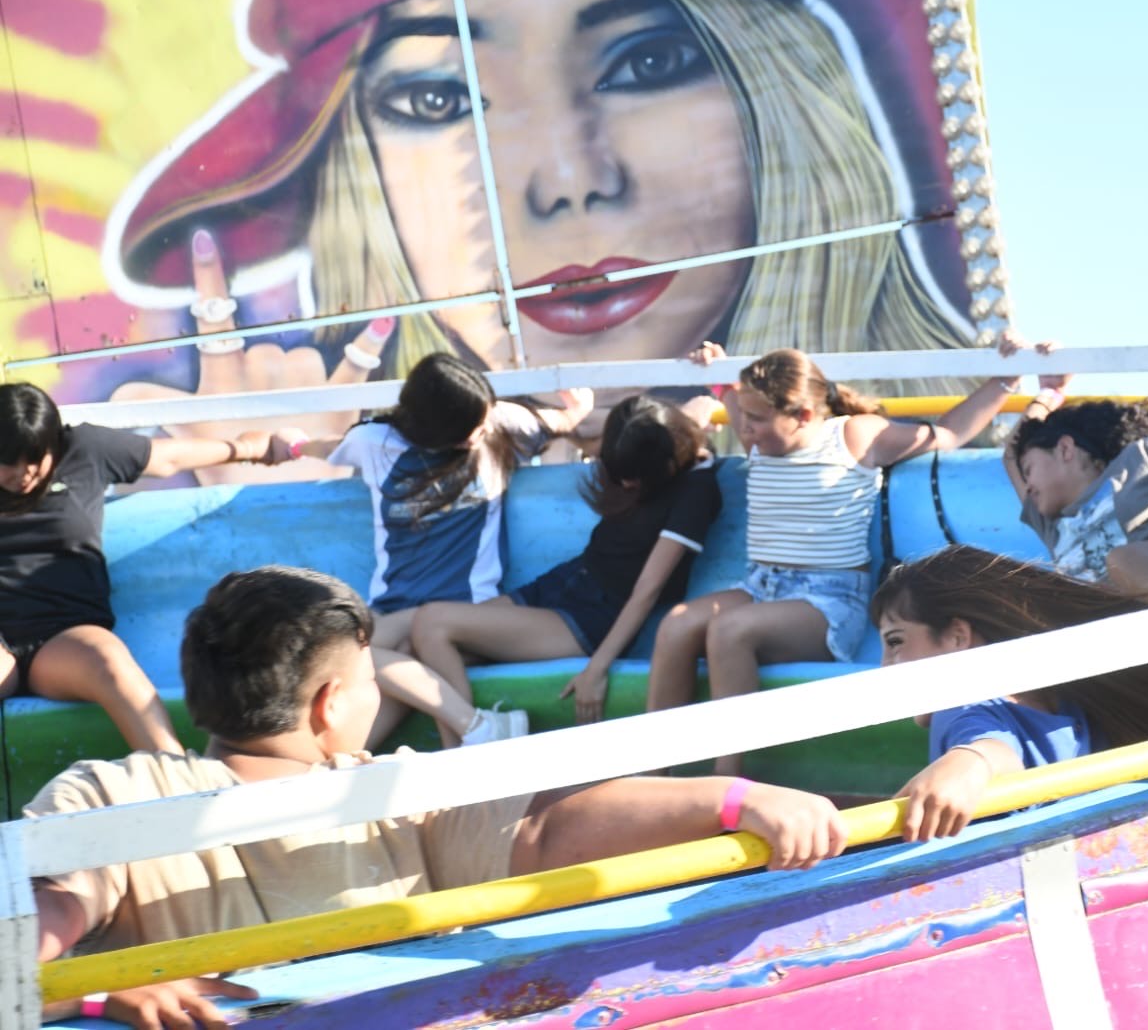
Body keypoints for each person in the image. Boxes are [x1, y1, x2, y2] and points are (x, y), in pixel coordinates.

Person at [98, 0, 982, 475]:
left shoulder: (851, 435)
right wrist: (264, 480)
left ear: (778, 92)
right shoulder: (380, 455)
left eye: (648, 62)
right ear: (356, 178)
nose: (567, 181)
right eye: (440, 96)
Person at [29, 565, 847, 1027]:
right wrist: (729, 801)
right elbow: (549, 833)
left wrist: (95, 987)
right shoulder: (382, 795)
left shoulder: (113, 795)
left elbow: (32, 933)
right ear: (330, 706)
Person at [647, 335, 1055, 775]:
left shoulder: (853, 436)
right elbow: (740, 395)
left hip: (826, 600)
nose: (742, 427)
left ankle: (725, 779)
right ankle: (650, 772)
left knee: (730, 632)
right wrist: (717, 370)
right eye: (740, 414)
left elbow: (949, 433)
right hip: (762, 584)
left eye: (755, 419)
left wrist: (1006, 380)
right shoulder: (761, 436)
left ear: (803, 415)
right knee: (677, 625)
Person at [869, 545, 1148, 842]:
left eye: (895, 641)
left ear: (957, 636)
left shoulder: (961, 710)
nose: (885, 667)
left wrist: (968, 762)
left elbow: (994, 749)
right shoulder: (1067, 692)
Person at [283, 353, 594, 747]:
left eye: (485, 418)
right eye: (471, 427)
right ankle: (472, 730)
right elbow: (329, 446)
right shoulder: (374, 442)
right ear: (431, 426)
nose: (483, 429)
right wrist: (293, 447)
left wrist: (577, 410)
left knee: (359, 659)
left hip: (469, 616)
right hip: (392, 611)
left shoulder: (500, 424)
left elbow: (559, 424)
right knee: (340, 659)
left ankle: (333, 769)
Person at [0, 382, 293, 755]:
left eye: (35, 458)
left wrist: (252, 448)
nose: (23, 474)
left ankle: (174, 779)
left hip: (66, 636)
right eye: (8, 462)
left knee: (111, 664)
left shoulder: (86, 450)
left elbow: (166, 458)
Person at [409, 394, 723, 725]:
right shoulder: (651, 437)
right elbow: (678, 417)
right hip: (563, 584)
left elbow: (647, 589)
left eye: (633, 476)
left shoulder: (696, 490)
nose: (625, 483)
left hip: (589, 619)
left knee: (432, 623)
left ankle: (469, 744)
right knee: (420, 647)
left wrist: (597, 668)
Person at [1003, 397, 1148, 582]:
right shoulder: (1051, 526)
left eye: (1029, 470)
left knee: (1125, 561)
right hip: (1097, 613)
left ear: (1065, 449)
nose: (1027, 486)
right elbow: (1011, 453)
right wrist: (1050, 392)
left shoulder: (1140, 460)